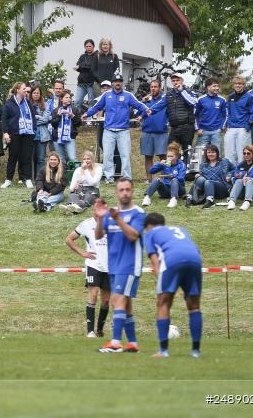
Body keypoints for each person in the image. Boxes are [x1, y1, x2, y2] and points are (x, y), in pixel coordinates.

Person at [94, 178, 146, 353]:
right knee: (126, 305)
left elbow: (133, 236)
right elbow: (98, 236)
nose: (125, 193)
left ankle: (116, 343)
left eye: (128, 190)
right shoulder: (111, 214)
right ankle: (132, 343)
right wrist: (101, 219)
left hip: (130, 265)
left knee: (116, 301)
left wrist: (118, 219)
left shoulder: (138, 213)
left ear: (132, 192)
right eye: (121, 190)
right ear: (116, 192)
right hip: (114, 266)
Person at [143, 213, 204, 358]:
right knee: (194, 306)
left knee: (163, 303)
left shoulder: (150, 234)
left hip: (172, 261)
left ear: (148, 226)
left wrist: (162, 283)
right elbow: (197, 250)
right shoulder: (181, 229)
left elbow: (155, 260)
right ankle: (196, 351)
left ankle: (163, 351)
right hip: (195, 260)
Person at [83, 75, 151, 183]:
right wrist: (87, 113)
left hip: (123, 130)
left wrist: (146, 109)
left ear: (122, 83)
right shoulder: (106, 95)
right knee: (107, 156)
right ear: (112, 83)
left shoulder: (128, 95)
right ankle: (109, 178)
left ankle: (126, 178)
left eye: (119, 81)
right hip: (108, 130)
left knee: (125, 155)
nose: (117, 83)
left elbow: (138, 104)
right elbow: (97, 107)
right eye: (115, 81)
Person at [66, 213, 110, 337]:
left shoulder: (113, 223)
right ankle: (90, 331)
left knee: (106, 300)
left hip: (110, 267)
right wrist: (82, 253)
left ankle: (100, 331)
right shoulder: (86, 224)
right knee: (93, 294)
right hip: (93, 265)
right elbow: (69, 239)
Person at [1, 82, 35, 189]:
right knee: (13, 156)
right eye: (24, 88)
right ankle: (8, 179)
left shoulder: (28, 102)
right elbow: (5, 119)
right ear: (17, 90)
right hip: (14, 133)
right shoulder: (9, 103)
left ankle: (28, 179)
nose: (26, 90)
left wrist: (33, 129)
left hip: (27, 134)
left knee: (27, 156)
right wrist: (5, 132)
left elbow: (33, 116)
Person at [139, 79, 169, 179]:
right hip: (147, 131)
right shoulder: (147, 100)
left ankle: (165, 178)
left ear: (159, 88)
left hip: (161, 131)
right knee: (148, 156)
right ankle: (149, 179)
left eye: (155, 87)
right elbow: (137, 112)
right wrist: (142, 101)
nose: (153, 89)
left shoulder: (165, 99)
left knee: (163, 157)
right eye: (151, 87)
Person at [165, 73, 198, 161]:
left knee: (187, 151)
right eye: (173, 80)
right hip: (174, 128)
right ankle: (170, 171)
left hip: (187, 127)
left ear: (182, 81)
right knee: (171, 151)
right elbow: (160, 105)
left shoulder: (190, 91)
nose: (175, 82)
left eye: (177, 80)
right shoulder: (168, 94)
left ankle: (185, 173)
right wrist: (149, 110)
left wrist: (181, 91)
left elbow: (193, 102)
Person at [225, 76, 253, 165]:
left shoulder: (249, 97)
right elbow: (228, 112)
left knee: (242, 151)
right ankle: (231, 172)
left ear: (243, 85)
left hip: (243, 128)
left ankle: (243, 171)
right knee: (229, 151)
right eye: (236, 84)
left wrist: (248, 126)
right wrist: (228, 125)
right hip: (231, 127)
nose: (237, 85)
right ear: (233, 85)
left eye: (240, 84)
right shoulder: (230, 96)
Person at [142, 145, 186, 209]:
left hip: (179, 190)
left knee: (174, 180)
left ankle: (174, 199)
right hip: (166, 190)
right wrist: (159, 164)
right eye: (168, 156)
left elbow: (181, 178)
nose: (169, 158)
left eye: (171, 156)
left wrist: (173, 176)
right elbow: (151, 171)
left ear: (176, 157)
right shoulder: (165, 164)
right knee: (157, 179)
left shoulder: (181, 165)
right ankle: (147, 197)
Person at [226, 145, 253, 211]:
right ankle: (232, 201)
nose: (246, 155)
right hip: (243, 190)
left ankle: (247, 202)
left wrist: (252, 179)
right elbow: (234, 178)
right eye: (244, 153)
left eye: (248, 153)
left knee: (249, 181)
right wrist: (236, 177)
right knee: (239, 181)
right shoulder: (240, 165)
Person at [194, 77, 228, 149]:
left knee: (216, 154)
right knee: (200, 154)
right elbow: (195, 115)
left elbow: (226, 115)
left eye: (217, 86)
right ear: (208, 87)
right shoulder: (200, 99)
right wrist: (198, 129)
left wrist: (221, 128)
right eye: (214, 86)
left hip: (216, 132)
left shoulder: (222, 100)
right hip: (203, 132)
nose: (217, 88)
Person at [29, 85, 52, 177]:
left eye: (38, 93)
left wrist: (37, 117)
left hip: (42, 136)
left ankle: (40, 177)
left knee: (41, 158)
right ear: (31, 94)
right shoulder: (27, 104)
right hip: (30, 135)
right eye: (34, 93)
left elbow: (46, 119)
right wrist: (39, 119)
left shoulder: (45, 105)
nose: (36, 95)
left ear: (40, 94)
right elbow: (28, 120)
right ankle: (30, 178)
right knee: (31, 158)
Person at [74, 39, 97, 109]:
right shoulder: (82, 56)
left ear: (93, 46)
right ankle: (76, 119)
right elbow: (77, 68)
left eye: (90, 46)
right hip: (81, 83)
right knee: (77, 102)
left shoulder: (97, 56)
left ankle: (90, 119)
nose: (88, 48)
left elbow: (93, 67)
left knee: (91, 103)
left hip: (91, 83)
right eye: (87, 46)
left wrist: (81, 66)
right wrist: (82, 67)